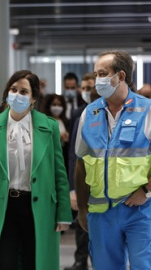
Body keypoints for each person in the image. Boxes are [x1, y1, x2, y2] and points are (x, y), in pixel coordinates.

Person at [0, 70, 72, 270]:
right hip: (3, 206)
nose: (17, 95)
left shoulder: (49, 126)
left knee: (34, 261)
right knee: (4, 262)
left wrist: (63, 213)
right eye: (13, 89)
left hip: (38, 205)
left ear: (33, 98)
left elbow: (59, 173)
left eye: (24, 92)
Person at [75, 50, 151, 270]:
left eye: (103, 73)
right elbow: (81, 162)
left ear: (121, 76)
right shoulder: (89, 113)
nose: (98, 80)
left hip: (140, 208)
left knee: (142, 265)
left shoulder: (146, 110)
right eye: (96, 74)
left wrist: (146, 191)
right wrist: (81, 208)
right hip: (101, 212)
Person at [65, 73, 99, 270]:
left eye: (91, 87)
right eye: (85, 88)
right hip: (84, 181)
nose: (87, 92)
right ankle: (80, 261)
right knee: (82, 224)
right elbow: (74, 156)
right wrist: (73, 189)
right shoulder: (79, 115)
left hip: (106, 184)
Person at [43, 93, 70, 172]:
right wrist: (58, 137)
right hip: (49, 157)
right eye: (54, 104)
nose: (57, 107)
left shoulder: (66, 122)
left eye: (59, 105)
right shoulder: (45, 122)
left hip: (64, 156)